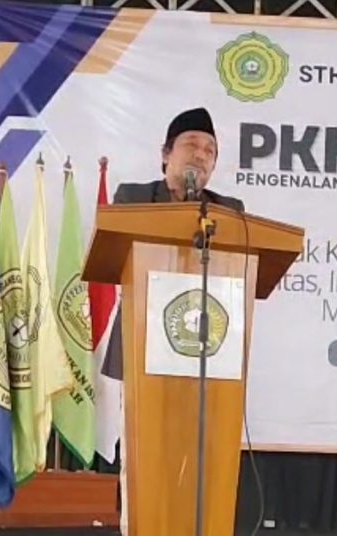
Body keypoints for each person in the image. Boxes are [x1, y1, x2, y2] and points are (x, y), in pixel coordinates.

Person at [101, 106, 244, 381]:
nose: (201, 155)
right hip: (141, 330)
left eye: (210, 151)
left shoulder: (228, 210)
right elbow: (115, 256)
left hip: (206, 343)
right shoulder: (135, 198)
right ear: (166, 154)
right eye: (191, 145)